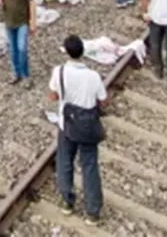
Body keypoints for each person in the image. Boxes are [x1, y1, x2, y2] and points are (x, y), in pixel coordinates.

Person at [48, 34, 107, 225]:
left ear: (66, 52)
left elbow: (53, 96)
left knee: (65, 162)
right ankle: (93, 211)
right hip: (88, 126)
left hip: (67, 125)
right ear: (83, 52)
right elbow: (103, 99)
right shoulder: (93, 76)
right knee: (89, 166)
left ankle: (67, 202)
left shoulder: (59, 72)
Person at [0, 0, 37, 86]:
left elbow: (32, 2)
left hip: (22, 21)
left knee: (21, 48)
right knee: (13, 50)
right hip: (9, 21)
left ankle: (26, 76)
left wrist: (33, 22)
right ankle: (16, 73)